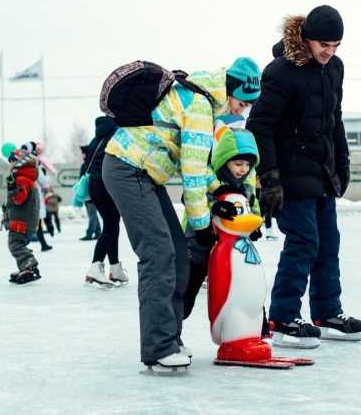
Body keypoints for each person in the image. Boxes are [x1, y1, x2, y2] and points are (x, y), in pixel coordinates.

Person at [103, 61, 256, 372]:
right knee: (159, 254)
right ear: (228, 92)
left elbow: (197, 169)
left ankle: (170, 339)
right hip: (127, 168)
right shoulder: (199, 107)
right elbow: (193, 172)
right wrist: (202, 226)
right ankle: (159, 348)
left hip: (144, 174)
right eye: (240, 103)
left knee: (178, 256)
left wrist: (219, 194)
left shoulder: (199, 100)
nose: (241, 113)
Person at [247, 5, 361, 349]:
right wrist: (268, 177)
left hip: (321, 172)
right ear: (307, 38)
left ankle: (327, 312)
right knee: (303, 242)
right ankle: (283, 317)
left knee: (328, 243)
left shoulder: (335, 69)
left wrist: (341, 164)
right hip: (289, 173)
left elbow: (334, 121)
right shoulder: (282, 72)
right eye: (324, 44)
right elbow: (260, 126)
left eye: (336, 45)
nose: (330, 51)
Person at [183, 119, 261, 323]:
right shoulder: (210, 178)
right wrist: (213, 207)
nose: (243, 169)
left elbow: (252, 205)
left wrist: (255, 225)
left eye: (247, 164)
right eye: (237, 163)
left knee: (243, 288)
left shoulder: (246, 184)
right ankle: (172, 334)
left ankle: (256, 328)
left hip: (231, 251)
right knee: (186, 293)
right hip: (198, 245)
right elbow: (191, 198)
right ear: (224, 159)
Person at [83, 116, 129, 287]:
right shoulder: (116, 135)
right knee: (111, 226)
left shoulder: (96, 139)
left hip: (94, 186)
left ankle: (115, 268)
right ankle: (96, 265)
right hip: (107, 183)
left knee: (111, 225)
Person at [5, 144, 41, 284]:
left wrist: (12, 188)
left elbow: (18, 199)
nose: (10, 165)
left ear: (18, 164)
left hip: (21, 222)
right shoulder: (27, 179)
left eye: (12, 162)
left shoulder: (21, 180)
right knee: (18, 244)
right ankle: (25, 267)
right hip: (24, 220)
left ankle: (29, 266)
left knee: (15, 244)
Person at [79, 145, 102, 241]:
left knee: (91, 214)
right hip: (91, 193)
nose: (81, 155)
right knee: (93, 214)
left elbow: (82, 180)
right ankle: (98, 232)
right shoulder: (90, 164)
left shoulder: (87, 165)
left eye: (82, 153)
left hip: (90, 193)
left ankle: (90, 233)